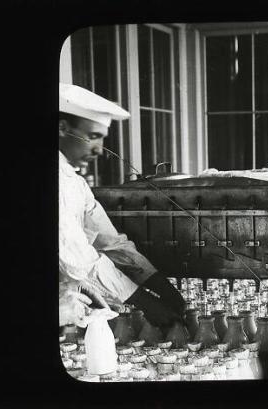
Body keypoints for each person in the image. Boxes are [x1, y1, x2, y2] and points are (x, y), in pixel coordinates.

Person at [59, 83, 186, 336]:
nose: (99, 149)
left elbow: (111, 243)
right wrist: (146, 302)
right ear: (62, 128)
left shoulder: (75, 181)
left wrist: (164, 288)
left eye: (102, 138)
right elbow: (78, 260)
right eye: (93, 136)